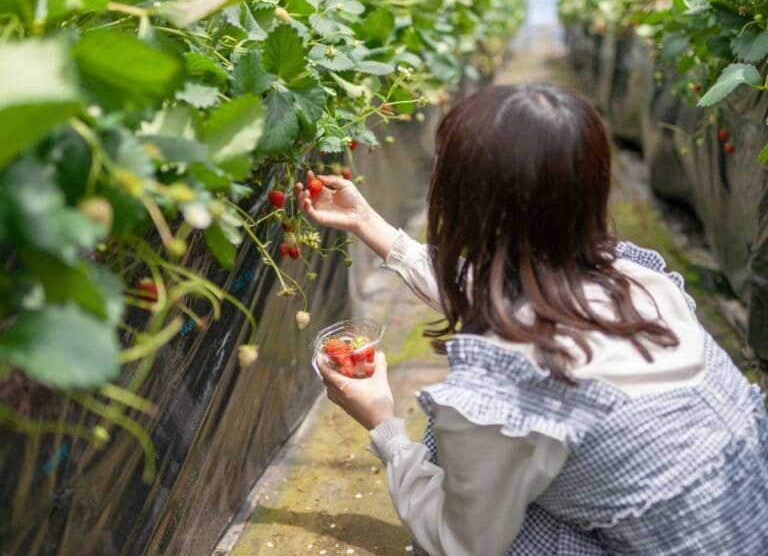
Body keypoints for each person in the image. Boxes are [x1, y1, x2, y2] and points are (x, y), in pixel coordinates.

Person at [294, 84, 768, 555]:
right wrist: (367, 224)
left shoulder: (509, 391)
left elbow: (459, 542)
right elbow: (498, 289)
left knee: (459, 451)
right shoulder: (637, 283)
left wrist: (385, 425)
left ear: (456, 205)